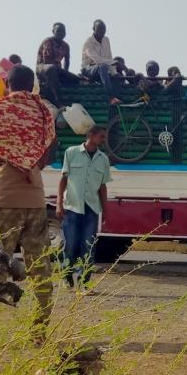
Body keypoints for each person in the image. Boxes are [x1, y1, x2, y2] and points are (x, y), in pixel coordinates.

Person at [0, 65, 56, 348]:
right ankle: (39, 334)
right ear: (31, 86)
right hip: (34, 198)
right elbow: (46, 155)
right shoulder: (43, 113)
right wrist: (30, 161)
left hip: (1, 198)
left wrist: (2, 156)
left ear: (7, 84)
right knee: (40, 268)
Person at [56, 125, 112, 291]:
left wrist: (106, 209)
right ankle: (67, 275)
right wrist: (58, 203)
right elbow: (63, 179)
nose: (104, 139)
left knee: (89, 246)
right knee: (70, 244)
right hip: (72, 207)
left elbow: (102, 186)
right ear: (91, 135)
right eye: (101, 136)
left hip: (91, 209)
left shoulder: (103, 159)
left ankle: (84, 282)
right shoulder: (71, 153)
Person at [36, 23, 83, 106]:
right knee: (52, 69)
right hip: (43, 68)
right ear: (53, 31)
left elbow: (67, 61)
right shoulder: (48, 41)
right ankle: (58, 101)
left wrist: (66, 73)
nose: (61, 33)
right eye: (58, 31)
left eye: (63, 31)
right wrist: (61, 72)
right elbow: (46, 60)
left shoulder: (66, 46)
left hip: (57, 69)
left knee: (76, 78)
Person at [81, 20, 121, 105]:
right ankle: (111, 97)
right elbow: (97, 60)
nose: (102, 32)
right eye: (99, 29)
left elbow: (109, 56)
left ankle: (117, 101)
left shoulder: (106, 40)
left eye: (104, 30)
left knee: (115, 76)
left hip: (102, 70)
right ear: (93, 29)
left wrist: (114, 73)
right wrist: (114, 62)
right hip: (88, 70)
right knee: (102, 66)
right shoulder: (88, 42)